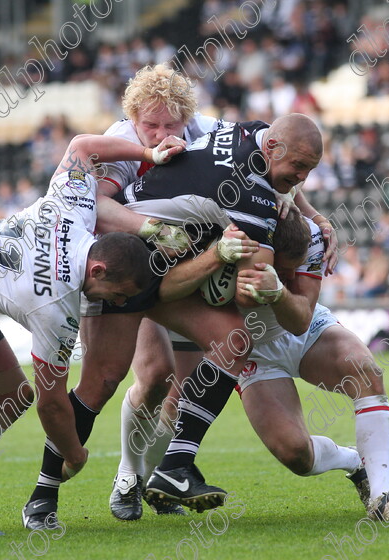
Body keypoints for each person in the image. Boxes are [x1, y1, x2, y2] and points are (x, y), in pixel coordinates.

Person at [23, 112, 326, 528]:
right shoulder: (251, 194)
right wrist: (267, 283)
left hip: (165, 258)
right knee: (102, 382)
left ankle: (175, 466)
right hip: (123, 257)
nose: (303, 178)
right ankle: (42, 495)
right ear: (273, 149)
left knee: (233, 340)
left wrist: (313, 216)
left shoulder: (254, 133)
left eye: (310, 169)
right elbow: (253, 285)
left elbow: (282, 172)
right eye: (299, 167)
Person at [0, 134, 181, 536]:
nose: (117, 303)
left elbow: (81, 147)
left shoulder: (73, 211)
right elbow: (52, 405)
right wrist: (75, 454)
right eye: (120, 295)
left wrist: (149, 153)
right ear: (98, 271)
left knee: (12, 395)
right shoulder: (56, 310)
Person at [154, 209, 389, 521]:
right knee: (296, 455)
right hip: (251, 352)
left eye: (296, 269)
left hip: (304, 329)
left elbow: (300, 318)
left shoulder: (313, 234)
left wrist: (279, 290)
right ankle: (354, 463)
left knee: (365, 370)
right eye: (285, 270)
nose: (292, 276)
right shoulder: (230, 238)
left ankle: (383, 496)